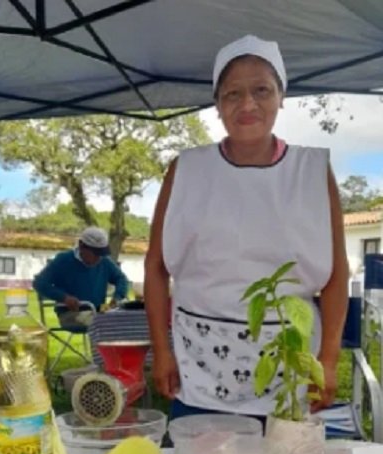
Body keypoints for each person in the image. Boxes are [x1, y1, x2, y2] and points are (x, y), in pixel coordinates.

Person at [144, 34, 348, 421]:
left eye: (261, 91)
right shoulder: (186, 169)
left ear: (281, 96)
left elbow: (338, 274)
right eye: (232, 94)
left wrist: (329, 359)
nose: (247, 105)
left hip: (288, 368)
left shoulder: (312, 172)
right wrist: (163, 350)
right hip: (199, 365)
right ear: (218, 104)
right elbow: (155, 267)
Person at [32, 226, 130, 321]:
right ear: (81, 246)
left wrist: (117, 297)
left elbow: (121, 278)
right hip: (69, 312)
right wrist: (64, 297)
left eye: (101, 254)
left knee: (126, 320)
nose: (98, 258)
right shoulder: (63, 260)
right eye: (94, 253)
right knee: (105, 322)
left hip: (99, 310)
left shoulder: (104, 261)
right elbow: (39, 283)